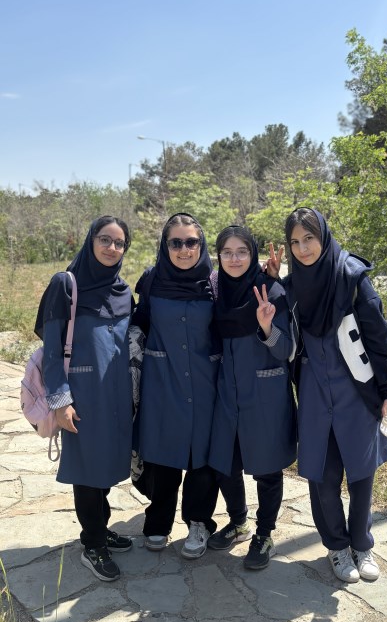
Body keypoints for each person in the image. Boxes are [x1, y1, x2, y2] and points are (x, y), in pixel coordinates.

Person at [266, 207, 387, 582]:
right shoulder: (291, 288)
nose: (303, 249)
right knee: (322, 477)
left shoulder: (352, 278)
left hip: (356, 392)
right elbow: (282, 343)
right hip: (314, 395)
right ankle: (337, 547)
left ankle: (362, 545)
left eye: (309, 238)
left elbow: (378, 339)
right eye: (295, 242)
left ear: (324, 237)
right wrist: (269, 298)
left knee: (361, 474)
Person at [36, 216, 134, 582]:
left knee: (106, 463)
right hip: (82, 395)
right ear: (90, 241)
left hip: (118, 394)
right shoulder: (66, 284)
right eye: (105, 239)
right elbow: (51, 349)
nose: (112, 248)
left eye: (119, 243)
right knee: (87, 469)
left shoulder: (123, 291)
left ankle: (100, 528)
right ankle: (93, 544)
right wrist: (61, 400)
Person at [208, 226, 297, 570]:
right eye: (227, 252)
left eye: (242, 251)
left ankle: (264, 533)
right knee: (225, 464)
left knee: (267, 468)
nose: (234, 259)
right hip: (226, 393)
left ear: (252, 254)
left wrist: (266, 327)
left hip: (264, 394)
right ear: (218, 256)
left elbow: (286, 350)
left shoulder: (271, 291)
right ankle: (238, 521)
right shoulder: (217, 291)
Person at [132, 213, 220, 559]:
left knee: (202, 459)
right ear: (165, 245)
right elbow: (138, 323)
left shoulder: (215, 283)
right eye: (176, 242)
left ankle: (198, 522)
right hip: (162, 381)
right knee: (163, 456)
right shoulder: (152, 281)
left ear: (202, 244)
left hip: (205, 382)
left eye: (192, 242)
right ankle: (158, 521)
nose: (184, 250)